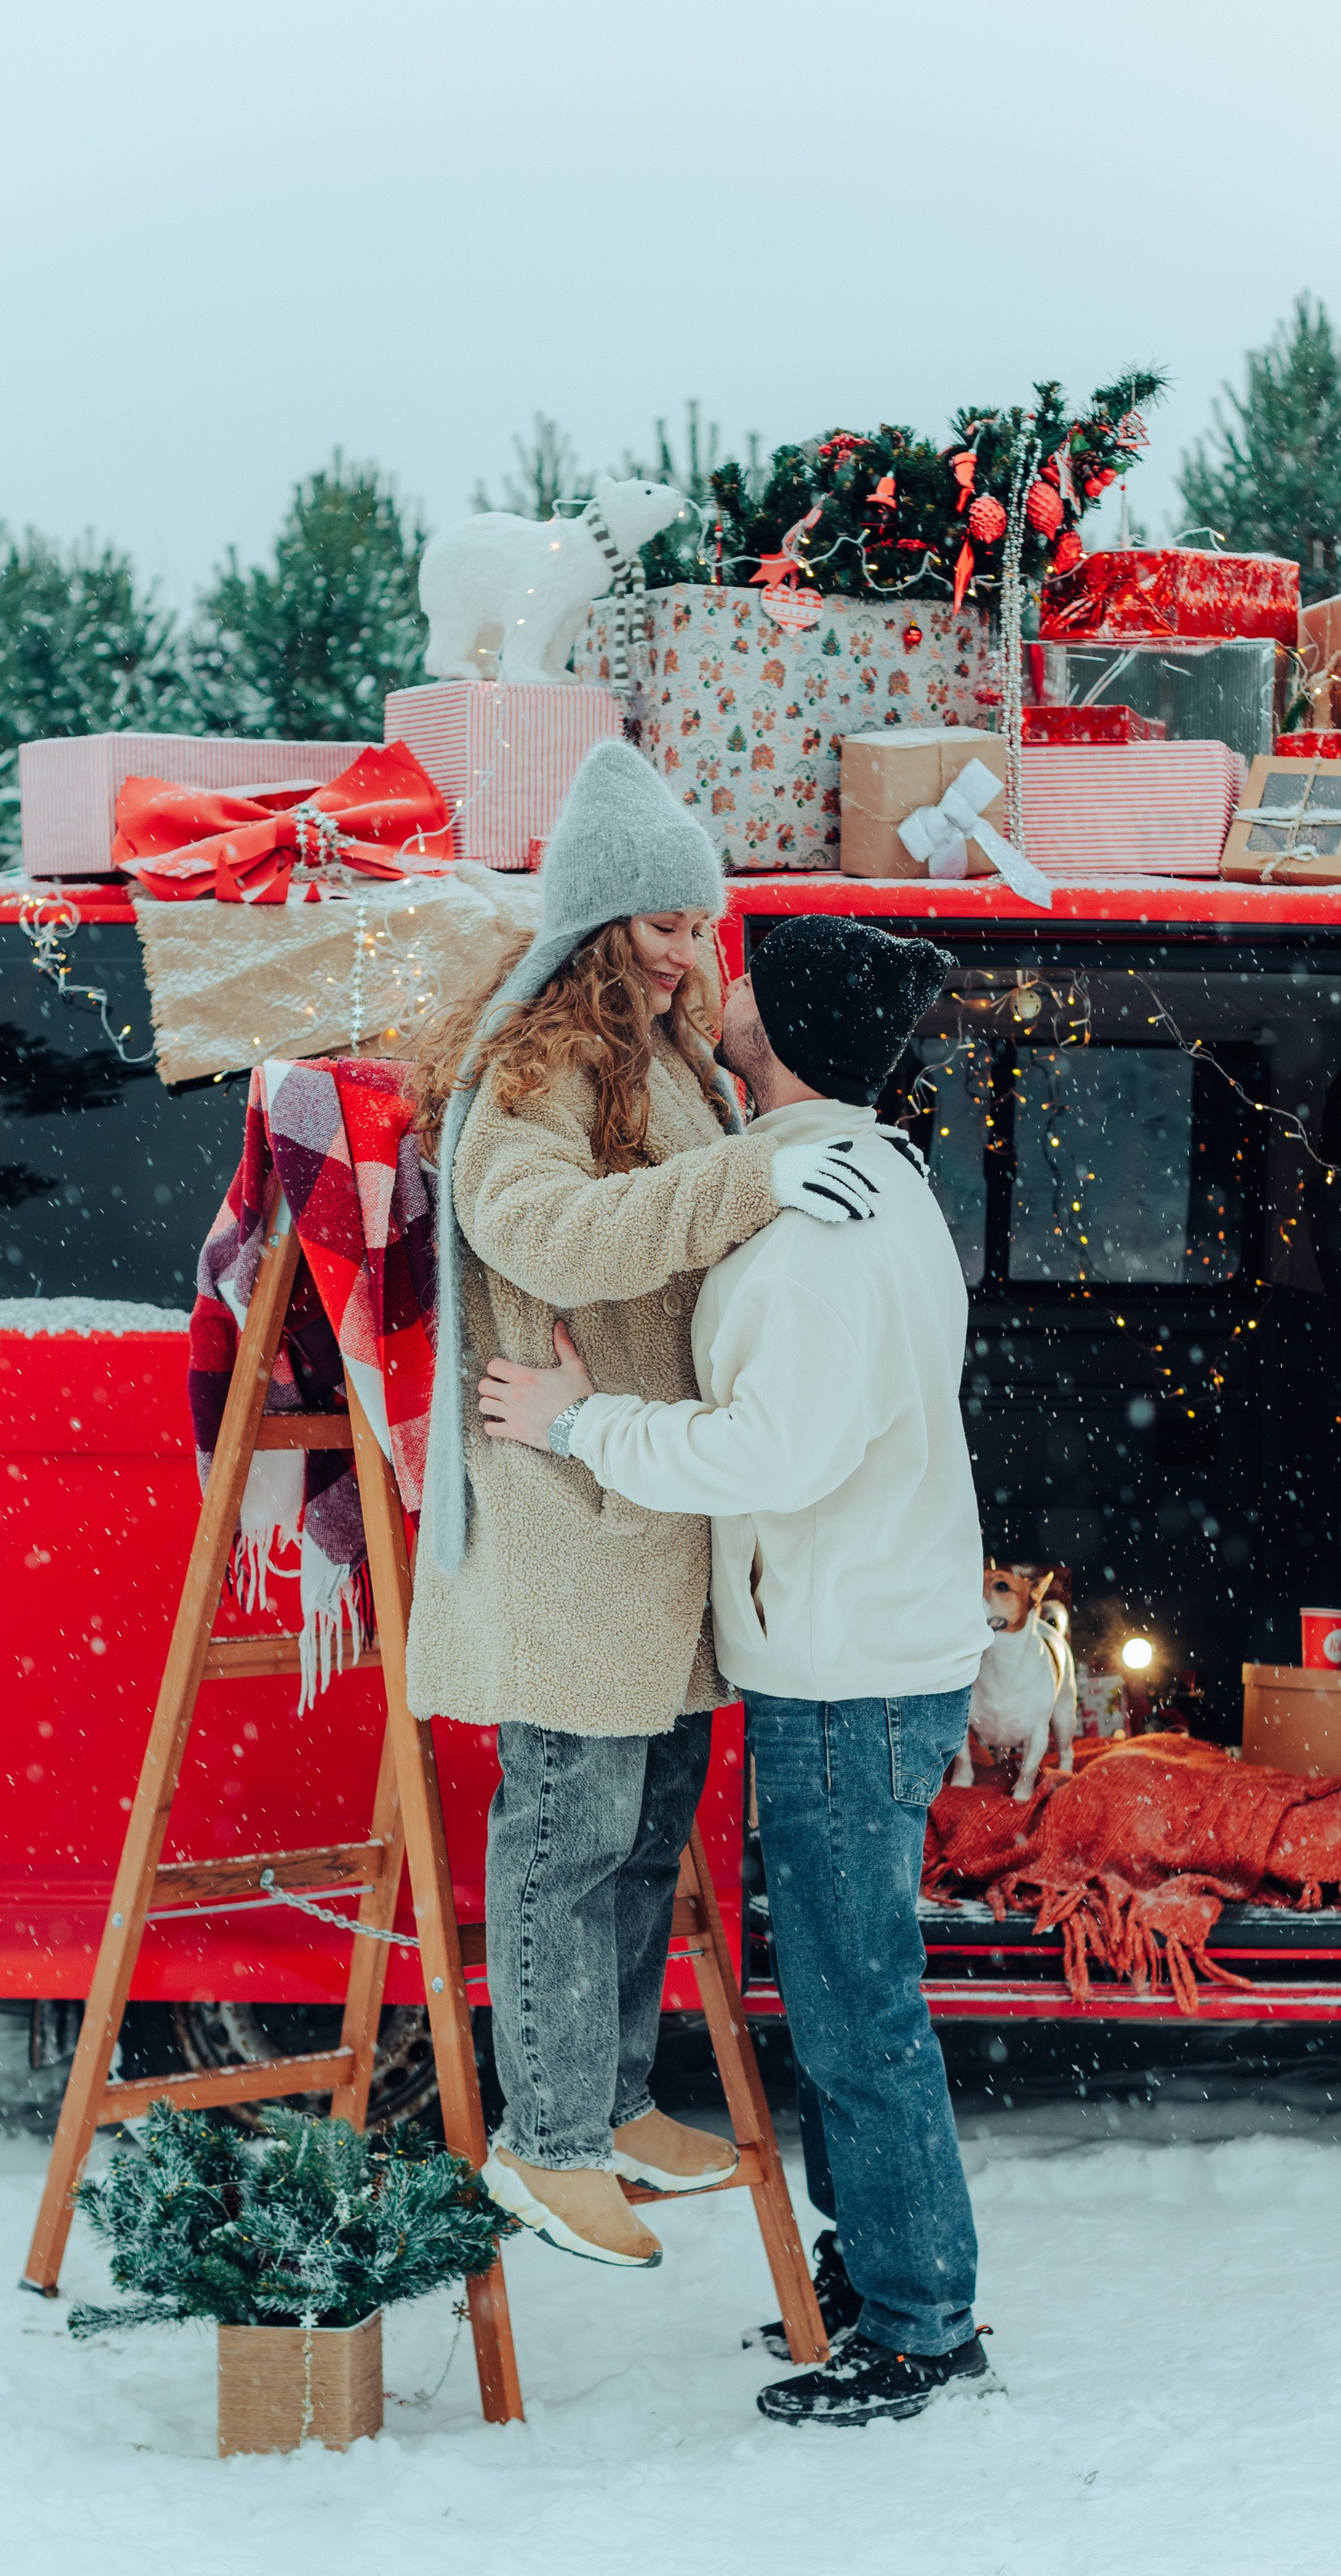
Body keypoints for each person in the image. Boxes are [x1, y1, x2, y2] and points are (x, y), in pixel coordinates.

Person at [478, 915, 996, 2426]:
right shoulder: (858, 1177)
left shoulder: (820, 1229)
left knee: (855, 2008)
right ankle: (877, 2281)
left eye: (750, 986)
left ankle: (918, 2324)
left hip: (844, 1670)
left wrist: (580, 1425)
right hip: (861, 1645)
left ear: (788, 1036)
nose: (720, 990)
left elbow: (773, 1450)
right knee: (842, 1995)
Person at [406, 747, 888, 2271]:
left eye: (701, 923)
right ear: (599, 923)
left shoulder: (666, 1052)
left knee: (641, 1832)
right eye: (665, 924)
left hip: (652, 1513)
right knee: (569, 1834)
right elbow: (537, 1230)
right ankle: (545, 2144)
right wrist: (750, 1184)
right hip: (570, 1519)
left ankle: (610, 2102)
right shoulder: (533, 1065)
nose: (691, 950)